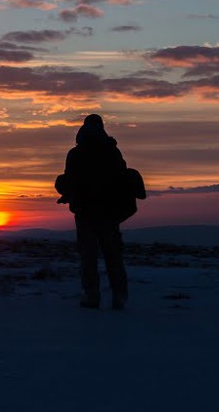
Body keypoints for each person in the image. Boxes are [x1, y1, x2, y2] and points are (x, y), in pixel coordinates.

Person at [57, 114, 131, 310]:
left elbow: (69, 179)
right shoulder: (112, 152)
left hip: (85, 211)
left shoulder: (76, 154)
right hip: (108, 212)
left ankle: (91, 296)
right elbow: (122, 177)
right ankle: (119, 296)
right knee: (113, 255)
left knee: (88, 257)